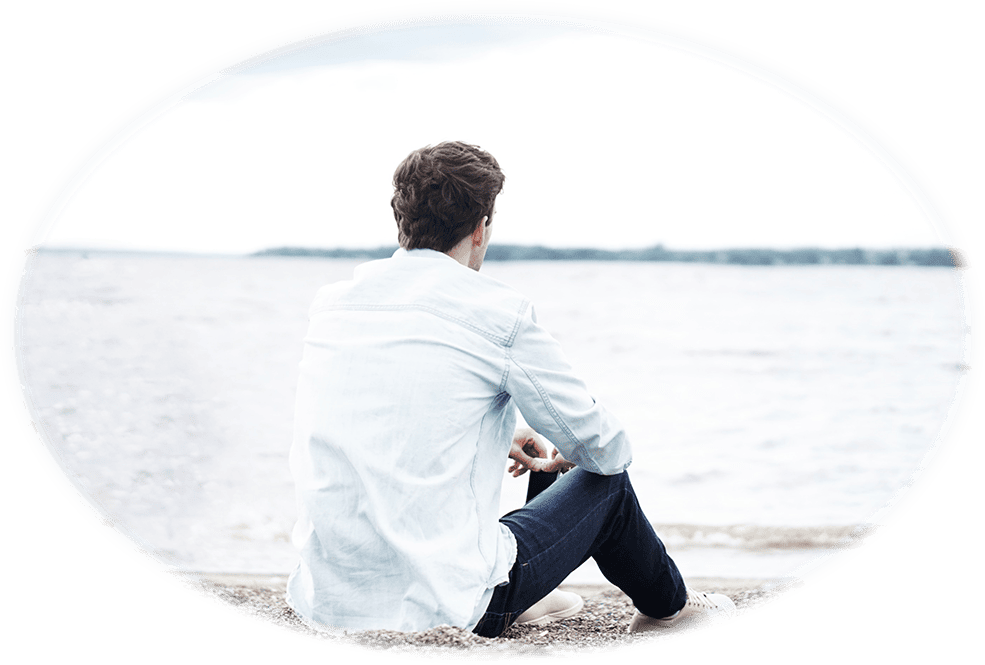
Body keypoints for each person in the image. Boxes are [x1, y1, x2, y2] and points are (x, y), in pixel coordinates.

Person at [286, 141, 735, 637]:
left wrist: (495, 432)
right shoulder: (496, 312)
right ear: (481, 228)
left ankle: (531, 595)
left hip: (327, 601)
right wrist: (571, 446)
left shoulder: (333, 305)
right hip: (449, 608)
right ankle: (669, 610)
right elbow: (605, 448)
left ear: (401, 220)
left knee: (548, 451)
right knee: (606, 484)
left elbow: (373, 418)